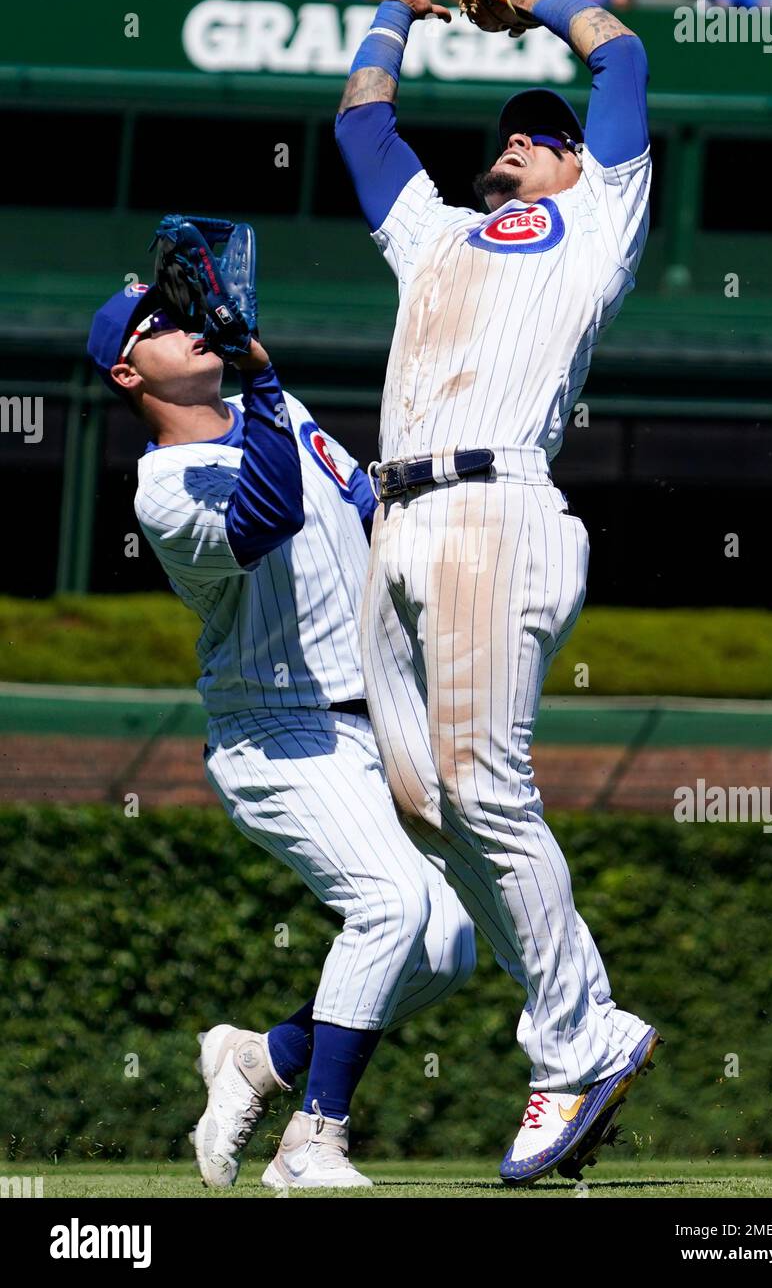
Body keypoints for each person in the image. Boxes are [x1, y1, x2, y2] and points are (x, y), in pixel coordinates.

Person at [336, 0, 658, 1187]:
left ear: (585, 166)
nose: (526, 134)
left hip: (494, 507)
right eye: (515, 127)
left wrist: (552, 1)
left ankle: (575, 1046)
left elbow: (619, 66)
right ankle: (588, 1029)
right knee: (422, 801)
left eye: (548, 130)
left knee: (482, 789)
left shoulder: (598, 225)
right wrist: (394, 11)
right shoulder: (435, 234)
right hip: (396, 519)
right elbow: (366, 132)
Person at [86, 264, 475, 1190]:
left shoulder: (280, 406)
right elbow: (268, 512)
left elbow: (361, 502)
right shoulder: (165, 488)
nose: (184, 327)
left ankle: (259, 1060)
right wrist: (262, 380)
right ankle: (311, 1144)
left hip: (373, 720)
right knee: (392, 905)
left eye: (184, 312)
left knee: (450, 945)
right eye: (155, 324)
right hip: (277, 733)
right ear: (128, 375)